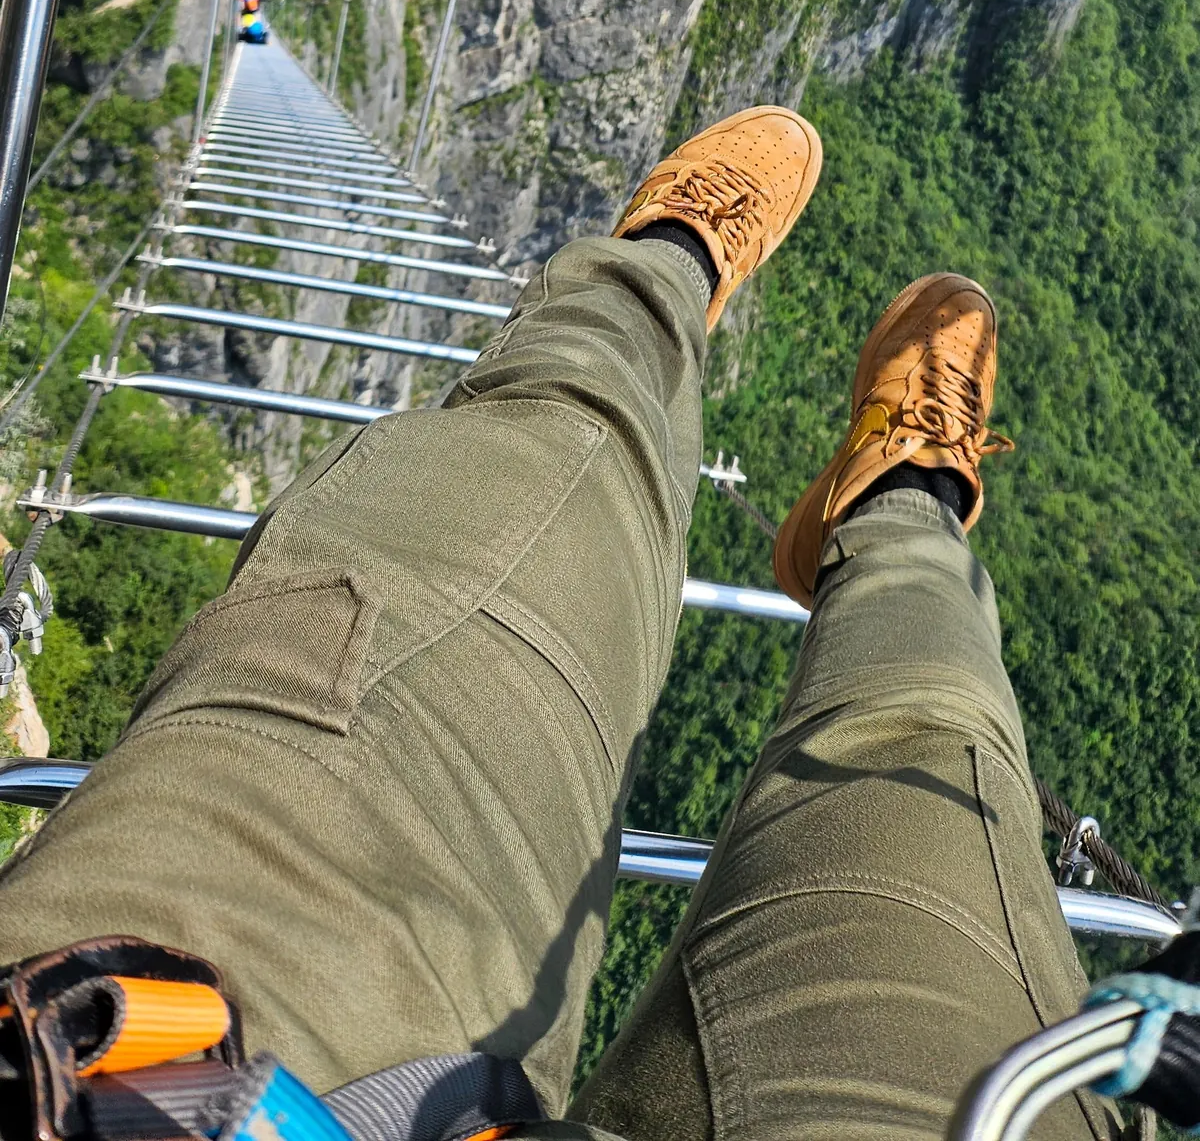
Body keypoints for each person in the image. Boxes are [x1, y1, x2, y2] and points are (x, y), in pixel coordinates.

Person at [0, 107, 1122, 1141]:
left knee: (538, 472)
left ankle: (657, 271)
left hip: (160, 1045)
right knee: (933, 739)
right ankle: (896, 499)